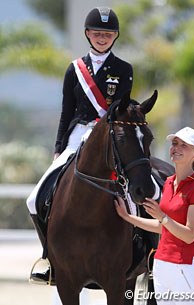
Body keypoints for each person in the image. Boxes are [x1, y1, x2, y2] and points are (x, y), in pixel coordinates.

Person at [26, 7, 133, 284]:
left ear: (115, 36)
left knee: (136, 194)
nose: (102, 37)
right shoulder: (75, 69)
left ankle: (145, 250)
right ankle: (50, 258)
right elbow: (66, 111)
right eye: (97, 33)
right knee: (34, 199)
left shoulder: (123, 70)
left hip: (107, 137)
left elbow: (120, 112)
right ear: (87, 34)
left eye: (107, 34)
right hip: (77, 135)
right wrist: (59, 147)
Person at [115, 127, 194, 304]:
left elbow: (189, 235)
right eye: (175, 143)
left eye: (184, 145)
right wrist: (128, 217)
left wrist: (161, 216)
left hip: (186, 267)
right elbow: (164, 227)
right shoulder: (168, 183)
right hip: (161, 265)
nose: (176, 148)